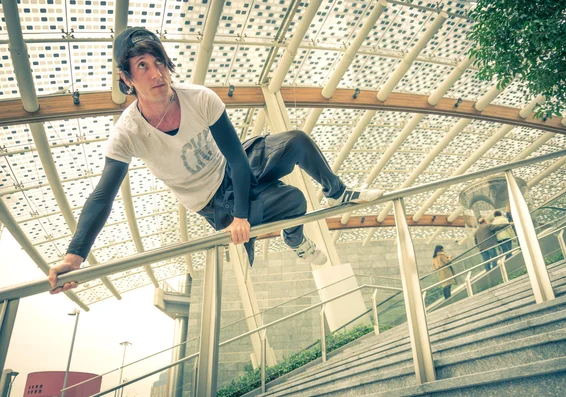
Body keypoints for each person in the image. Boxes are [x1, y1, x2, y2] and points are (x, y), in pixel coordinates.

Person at [48, 27, 384, 294]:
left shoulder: (199, 98)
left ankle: (338, 191)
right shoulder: (128, 132)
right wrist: (75, 256)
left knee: (296, 140)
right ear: (127, 79)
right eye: (142, 67)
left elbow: (237, 159)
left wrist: (244, 216)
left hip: (233, 168)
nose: (156, 74)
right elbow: (103, 196)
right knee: (294, 201)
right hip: (213, 201)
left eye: (159, 63)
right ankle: (295, 239)